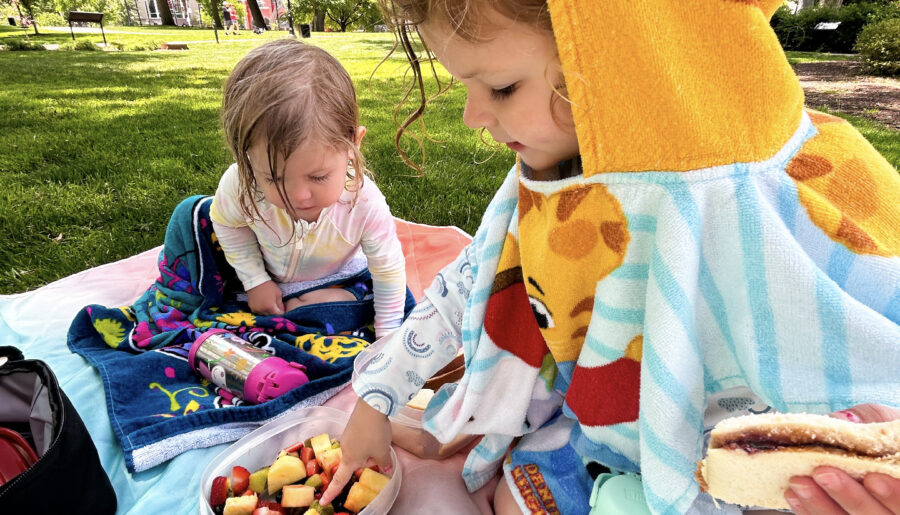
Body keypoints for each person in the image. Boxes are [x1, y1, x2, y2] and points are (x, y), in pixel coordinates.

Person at [323, 0, 900, 514]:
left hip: (731, 453)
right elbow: (466, 286)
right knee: (510, 499)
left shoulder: (746, 194)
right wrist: (377, 399)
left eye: (501, 88)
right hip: (598, 435)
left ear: (617, 59)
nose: (473, 116)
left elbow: (865, 300)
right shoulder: (547, 178)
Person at [210, 39, 408, 339]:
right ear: (247, 156)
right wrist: (254, 280)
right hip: (265, 276)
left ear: (353, 145)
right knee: (190, 218)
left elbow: (388, 270)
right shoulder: (240, 184)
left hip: (336, 280)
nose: (298, 196)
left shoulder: (364, 203)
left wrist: (388, 337)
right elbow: (226, 224)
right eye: (274, 179)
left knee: (352, 305)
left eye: (318, 177)